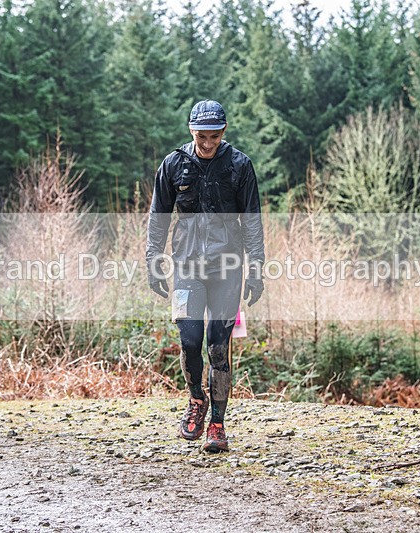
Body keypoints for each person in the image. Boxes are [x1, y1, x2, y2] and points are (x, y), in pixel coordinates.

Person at [146, 100, 265, 452]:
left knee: (218, 346)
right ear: (191, 131)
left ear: (223, 131)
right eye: (201, 136)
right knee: (189, 340)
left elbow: (252, 221)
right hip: (186, 267)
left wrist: (256, 269)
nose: (208, 143)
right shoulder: (173, 164)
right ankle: (196, 400)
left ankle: (217, 423)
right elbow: (158, 216)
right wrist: (153, 260)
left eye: (214, 136)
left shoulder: (240, 165)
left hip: (228, 269)